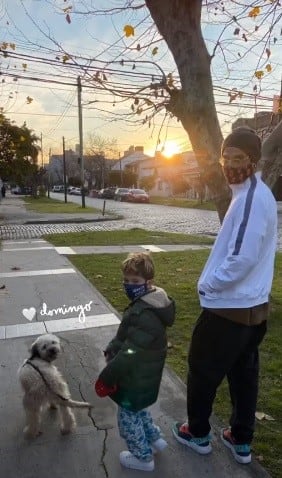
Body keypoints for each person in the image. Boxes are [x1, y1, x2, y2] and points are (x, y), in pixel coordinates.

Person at [172, 127, 277, 465]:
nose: (231, 164)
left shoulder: (250, 198)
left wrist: (209, 285)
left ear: (253, 160)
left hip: (228, 310)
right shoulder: (254, 192)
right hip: (252, 308)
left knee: (202, 372)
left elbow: (242, 258)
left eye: (239, 158)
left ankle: (198, 433)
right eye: (226, 157)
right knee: (244, 376)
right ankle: (241, 440)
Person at [95, 252, 175, 472]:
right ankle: (155, 439)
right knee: (139, 410)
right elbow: (127, 337)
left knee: (128, 419)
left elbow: (131, 351)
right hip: (144, 377)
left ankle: (142, 457)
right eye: (127, 281)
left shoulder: (145, 313)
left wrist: (107, 375)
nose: (129, 286)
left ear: (149, 282)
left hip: (136, 378)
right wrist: (112, 347)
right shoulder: (148, 304)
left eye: (135, 282)